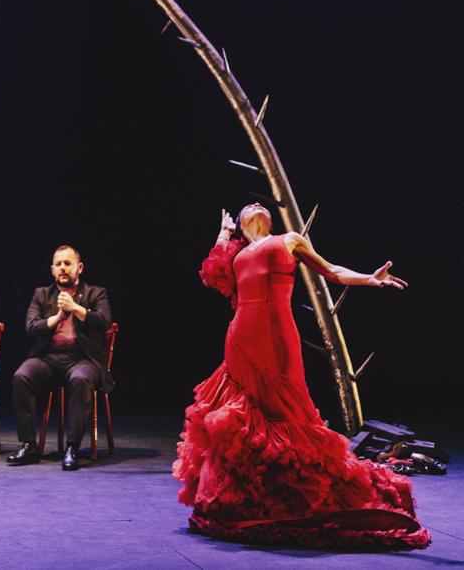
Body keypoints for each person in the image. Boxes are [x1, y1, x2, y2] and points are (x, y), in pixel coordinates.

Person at [173, 203, 430, 548]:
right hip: (240, 338)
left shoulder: (289, 239)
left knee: (286, 411)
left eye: (260, 205)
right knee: (240, 415)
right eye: (249, 207)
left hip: (276, 333)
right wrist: (223, 233)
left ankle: (297, 494)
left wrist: (369, 278)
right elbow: (213, 275)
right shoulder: (237, 254)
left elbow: (331, 271)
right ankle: (247, 500)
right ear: (244, 222)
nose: (256, 206)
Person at [8, 245, 113, 471]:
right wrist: (56, 318)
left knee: (80, 379)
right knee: (21, 376)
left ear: (80, 267)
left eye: (68, 263)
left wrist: (75, 308)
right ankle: (28, 445)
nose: (63, 268)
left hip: (83, 359)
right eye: (58, 264)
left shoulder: (96, 293)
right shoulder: (42, 294)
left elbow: (104, 322)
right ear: (52, 270)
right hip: (49, 358)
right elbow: (30, 326)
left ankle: (72, 447)